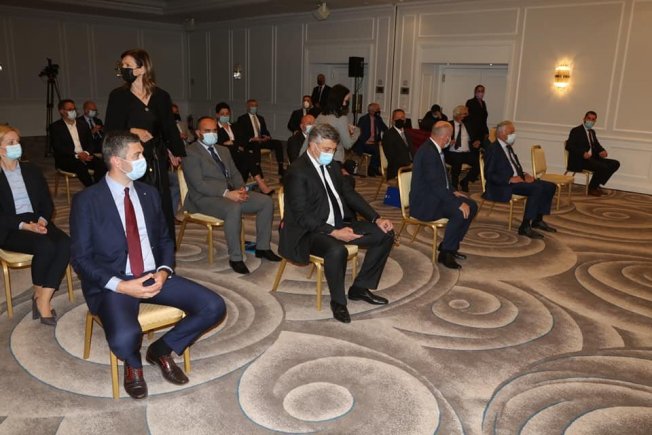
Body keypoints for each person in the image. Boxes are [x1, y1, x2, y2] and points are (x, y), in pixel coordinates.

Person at [70, 131, 226, 400]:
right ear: (117, 161)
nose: (144, 159)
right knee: (124, 339)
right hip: (115, 282)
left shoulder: (149, 193)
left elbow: (165, 239)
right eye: (137, 155)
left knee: (214, 306)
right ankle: (133, 363)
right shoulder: (87, 201)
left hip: (153, 274)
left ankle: (161, 349)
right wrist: (122, 286)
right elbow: (81, 259)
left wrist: (164, 271)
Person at [280, 123, 395, 323]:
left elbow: (349, 194)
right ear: (312, 145)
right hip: (308, 231)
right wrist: (333, 232)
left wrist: (376, 218)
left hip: (338, 223)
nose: (331, 154)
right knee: (336, 250)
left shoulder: (332, 166)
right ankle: (338, 302)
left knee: (385, 234)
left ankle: (360, 288)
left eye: (333, 149)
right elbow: (301, 216)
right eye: (327, 149)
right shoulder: (296, 171)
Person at [104, 48, 185, 240]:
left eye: (128, 65)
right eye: (122, 65)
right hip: (130, 156)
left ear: (142, 69)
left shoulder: (161, 96)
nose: (123, 69)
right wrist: (133, 130)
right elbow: (110, 129)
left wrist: (174, 150)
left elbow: (168, 126)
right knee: (136, 198)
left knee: (160, 197)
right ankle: (137, 241)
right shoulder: (118, 96)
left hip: (156, 154)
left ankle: (164, 243)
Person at [184, 117, 281, 274]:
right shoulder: (190, 152)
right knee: (233, 208)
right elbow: (198, 184)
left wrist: (241, 188)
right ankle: (235, 258)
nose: (212, 134)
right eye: (207, 131)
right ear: (198, 133)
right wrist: (226, 193)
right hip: (203, 198)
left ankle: (262, 247)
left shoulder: (223, 150)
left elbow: (234, 173)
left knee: (265, 202)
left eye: (214, 130)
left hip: (229, 193)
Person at [0, 125, 70, 326]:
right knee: (45, 246)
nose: (17, 145)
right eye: (11, 142)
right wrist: (25, 225)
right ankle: (42, 301)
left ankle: (42, 297)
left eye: (18, 141)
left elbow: (46, 203)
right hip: (10, 227)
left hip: (37, 219)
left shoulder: (31, 170)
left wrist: (42, 220)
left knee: (66, 243)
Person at [410, 121, 478, 269]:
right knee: (459, 211)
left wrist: (453, 191)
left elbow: (442, 180)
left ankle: (450, 245)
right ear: (445, 137)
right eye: (450, 136)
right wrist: (457, 203)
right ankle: (446, 253)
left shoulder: (435, 149)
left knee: (472, 206)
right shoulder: (428, 153)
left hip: (435, 195)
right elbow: (435, 185)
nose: (451, 139)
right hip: (425, 202)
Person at [484, 121, 557, 239]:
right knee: (536, 188)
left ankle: (537, 220)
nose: (514, 135)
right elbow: (489, 174)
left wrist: (524, 175)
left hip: (518, 179)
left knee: (550, 186)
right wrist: (509, 179)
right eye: (511, 132)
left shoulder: (508, 147)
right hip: (504, 184)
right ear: (501, 134)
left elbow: (514, 167)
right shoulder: (493, 149)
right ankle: (525, 226)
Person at [215, 102, 273, 194]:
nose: (225, 116)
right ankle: (261, 184)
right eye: (222, 114)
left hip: (239, 153)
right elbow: (219, 144)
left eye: (227, 113)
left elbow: (243, 140)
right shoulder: (215, 129)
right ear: (217, 115)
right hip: (226, 155)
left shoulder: (235, 126)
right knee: (248, 156)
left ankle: (241, 186)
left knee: (246, 160)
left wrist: (232, 143)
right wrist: (236, 145)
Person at [49, 99, 107, 186]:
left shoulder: (82, 124)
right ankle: (91, 189)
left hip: (85, 155)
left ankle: (98, 187)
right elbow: (58, 147)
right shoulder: (55, 127)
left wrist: (86, 153)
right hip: (68, 158)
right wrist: (77, 155)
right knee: (80, 167)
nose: (73, 111)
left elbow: (90, 143)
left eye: (74, 109)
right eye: (70, 109)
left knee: (101, 164)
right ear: (62, 111)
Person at [566, 111, 620, 196]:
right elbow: (569, 146)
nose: (590, 121)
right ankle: (592, 188)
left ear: (595, 121)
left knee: (615, 163)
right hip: (580, 160)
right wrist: (582, 153)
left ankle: (595, 185)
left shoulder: (592, 132)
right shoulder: (576, 130)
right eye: (589, 118)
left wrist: (602, 151)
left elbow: (597, 145)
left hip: (592, 158)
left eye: (593, 119)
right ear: (584, 119)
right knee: (601, 166)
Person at [236, 99, 285, 177]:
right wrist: (252, 138)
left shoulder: (260, 118)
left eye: (256, 105)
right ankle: (257, 168)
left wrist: (267, 136)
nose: (254, 107)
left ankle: (281, 167)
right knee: (256, 144)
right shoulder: (242, 119)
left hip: (261, 140)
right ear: (248, 107)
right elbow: (241, 134)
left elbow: (265, 131)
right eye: (252, 105)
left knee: (277, 143)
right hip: (251, 142)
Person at [315, 84, 360, 165]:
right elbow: (348, 144)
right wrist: (357, 131)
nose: (345, 104)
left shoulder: (320, 116)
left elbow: (310, 137)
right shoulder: (341, 118)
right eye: (345, 101)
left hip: (318, 158)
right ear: (338, 100)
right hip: (334, 160)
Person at [445, 105, 481, 192]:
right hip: (453, 152)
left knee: (479, 164)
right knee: (457, 161)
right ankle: (454, 185)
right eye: (463, 114)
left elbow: (475, 138)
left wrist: (476, 142)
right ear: (456, 115)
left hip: (466, 152)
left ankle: (465, 181)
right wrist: (448, 142)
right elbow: (441, 139)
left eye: (466, 114)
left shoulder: (468, 125)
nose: (465, 116)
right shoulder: (448, 125)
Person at [353, 102, 388, 176]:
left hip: (374, 143)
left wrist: (383, 139)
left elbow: (385, 129)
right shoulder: (363, 119)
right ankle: (371, 170)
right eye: (377, 109)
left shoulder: (378, 119)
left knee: (383, 149)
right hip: (364, 143)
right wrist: (365, 141)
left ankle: (376, 168)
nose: (379, 111)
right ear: (371, 111)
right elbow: (358, 132)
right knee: (377, 151)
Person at [382, 109, 413, 181]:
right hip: (397, 168)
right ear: (392, 120)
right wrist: (408, 164)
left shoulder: (407, 133)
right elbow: (391, 156)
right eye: (397, 118)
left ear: (405, 120)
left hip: (410, 165)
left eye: (402, 118)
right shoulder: (388, 134)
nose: (400, 120)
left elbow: (412, 150)